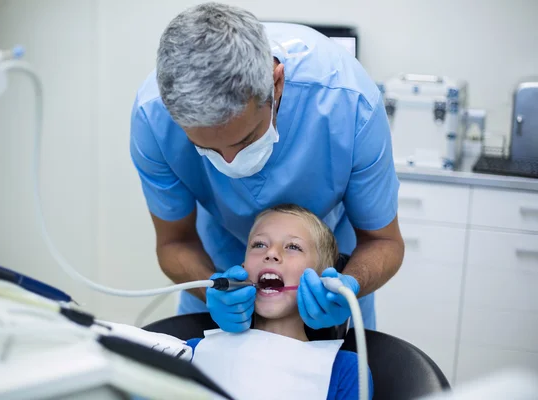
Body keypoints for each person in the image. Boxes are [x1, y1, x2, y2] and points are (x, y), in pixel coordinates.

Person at [130, 2, 404, 332]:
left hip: (333, 264)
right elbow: (174, 242)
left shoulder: (350, 103)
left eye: (243, 140)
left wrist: (347, 286)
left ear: (276, 85)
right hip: (216, 258)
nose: (229, 163)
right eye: (206, 149)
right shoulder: (154, 118)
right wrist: (211, 289)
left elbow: (383, 241)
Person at [186, 204, 373, 400]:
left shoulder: (344, 371)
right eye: (259, 245)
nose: (271, 253)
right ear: (243, 269)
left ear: (320, 280)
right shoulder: (194, 352)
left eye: (293, 246)